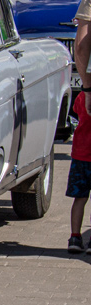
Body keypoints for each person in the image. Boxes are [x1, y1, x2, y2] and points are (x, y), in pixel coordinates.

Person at [66, 90, 91, 253]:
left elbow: (76, 109)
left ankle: (75, 237)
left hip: (81, 155)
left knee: (79, 199)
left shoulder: (83, 96)